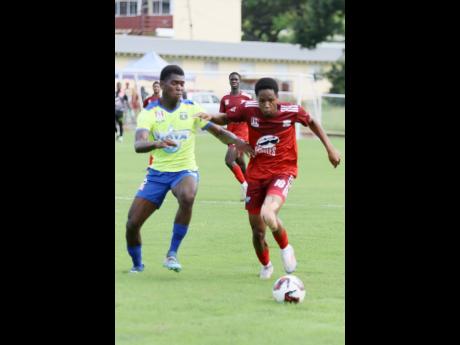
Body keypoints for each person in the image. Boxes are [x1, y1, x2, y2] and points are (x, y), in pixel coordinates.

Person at [197, 77, 341, 279]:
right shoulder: (249, 109)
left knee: (268, 212)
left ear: (277, 98)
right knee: (257, 232)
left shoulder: (291, 111)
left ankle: (285, 248)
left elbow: (312, 121)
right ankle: (266, 265)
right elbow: (226, 118)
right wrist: (209, 116)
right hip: (256, 175)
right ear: (257, 99)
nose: (266, 104)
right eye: (262, 100)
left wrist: (330, 148)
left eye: (270, 100)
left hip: (283, 171)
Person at [125, 65, 254, 273]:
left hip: (184, 170)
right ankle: (137, 265)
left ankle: (172, 254)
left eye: (182, 84)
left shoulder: (191, 109)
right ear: (163, 84)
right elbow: (138, 145)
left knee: (187, 195)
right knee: (132, 223)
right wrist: (156, 143)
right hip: (157, 174)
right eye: (175, 83)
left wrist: (239, 142)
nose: (179, 87)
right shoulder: (149, 112)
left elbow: (218, 131)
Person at [219, 72, 253, 201]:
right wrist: (221, 132)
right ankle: (250, 190)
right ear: (229, 81)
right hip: (230, 135)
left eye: (236, 79)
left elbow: (253, 115)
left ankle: (245, 185)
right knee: (240, 162)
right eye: (232, 79)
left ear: (240, 81)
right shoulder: (225, 99)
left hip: (242, 135)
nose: (234, 81)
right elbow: (221, 118)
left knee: (229, 160)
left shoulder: (247, 97)